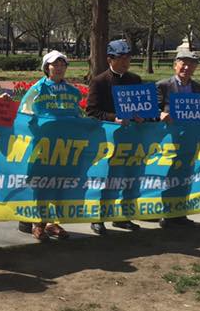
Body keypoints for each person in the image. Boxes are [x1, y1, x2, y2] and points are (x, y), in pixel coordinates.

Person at [17, 50, 81, 242]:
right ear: (47, 67)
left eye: (63, 64)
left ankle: (53, 222)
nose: (59, 68)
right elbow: (24, 113)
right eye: (55, 64)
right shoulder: (37, 90)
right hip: (43, 145)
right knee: (41, 183)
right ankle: (38, 223)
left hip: (65, 145)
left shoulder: (73, 92)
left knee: (60, 183)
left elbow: (78, 116)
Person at [155, 49, 200, 229]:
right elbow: (152, 110)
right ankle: (166, 214)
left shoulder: (198, 88)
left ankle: (180, 213)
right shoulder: (163, 86)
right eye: (183, 63)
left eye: (191, 64)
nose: (186, 67)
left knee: (185, 176)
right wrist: (160, 114)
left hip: (190, 141)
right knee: (168, 177)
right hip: (168, 141)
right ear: (175, 65)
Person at [85, 39, 143, 232]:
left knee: (129, 177)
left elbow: (145, 109)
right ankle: (98, 218)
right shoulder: (99, 81)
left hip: (132, 139)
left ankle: (123, 216)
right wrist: (113, 118)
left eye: (128, 58)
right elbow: (92, 111)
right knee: (107, 179)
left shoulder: (135, 80)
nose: (126, 62)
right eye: (121, 58)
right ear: (110, 59)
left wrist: (143, 116)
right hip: (109, 140)